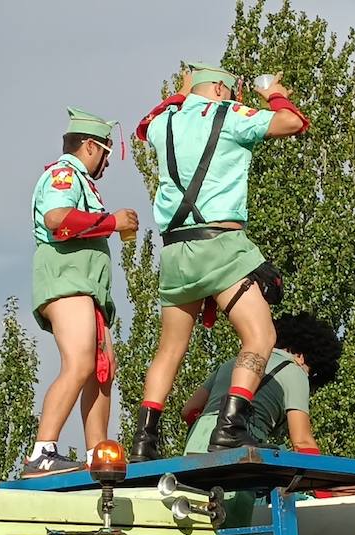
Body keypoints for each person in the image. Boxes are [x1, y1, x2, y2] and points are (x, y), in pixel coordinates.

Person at [128, 62, 309, 461]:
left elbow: (152, 119)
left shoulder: (162, 126)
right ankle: (230, 428)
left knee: (169, 350)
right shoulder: (228, 115)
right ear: (224, 92)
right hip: (221, 245)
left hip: (175, 252)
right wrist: (273, 92)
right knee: (260, 338)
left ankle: (144, 440)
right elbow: (292, 122)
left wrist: (185, 92)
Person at [179, 312, 340, 535]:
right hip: (240, 451)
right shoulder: (295, 371)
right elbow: (302, 442)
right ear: (303, 355)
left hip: (196, 446)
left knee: (191, 532)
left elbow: (188, 410)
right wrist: (328, 495)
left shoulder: (233, 362)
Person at [22, 106, 137, 477]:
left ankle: (96, 456)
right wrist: (112, 222)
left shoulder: (82, 182)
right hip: (66, 282)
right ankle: (42, 451)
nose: (106, 162)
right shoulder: (62, 175)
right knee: (80, 363)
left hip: (86, 288)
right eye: (105, 152)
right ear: (90, 146)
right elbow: (57, 220)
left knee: (102, 370)